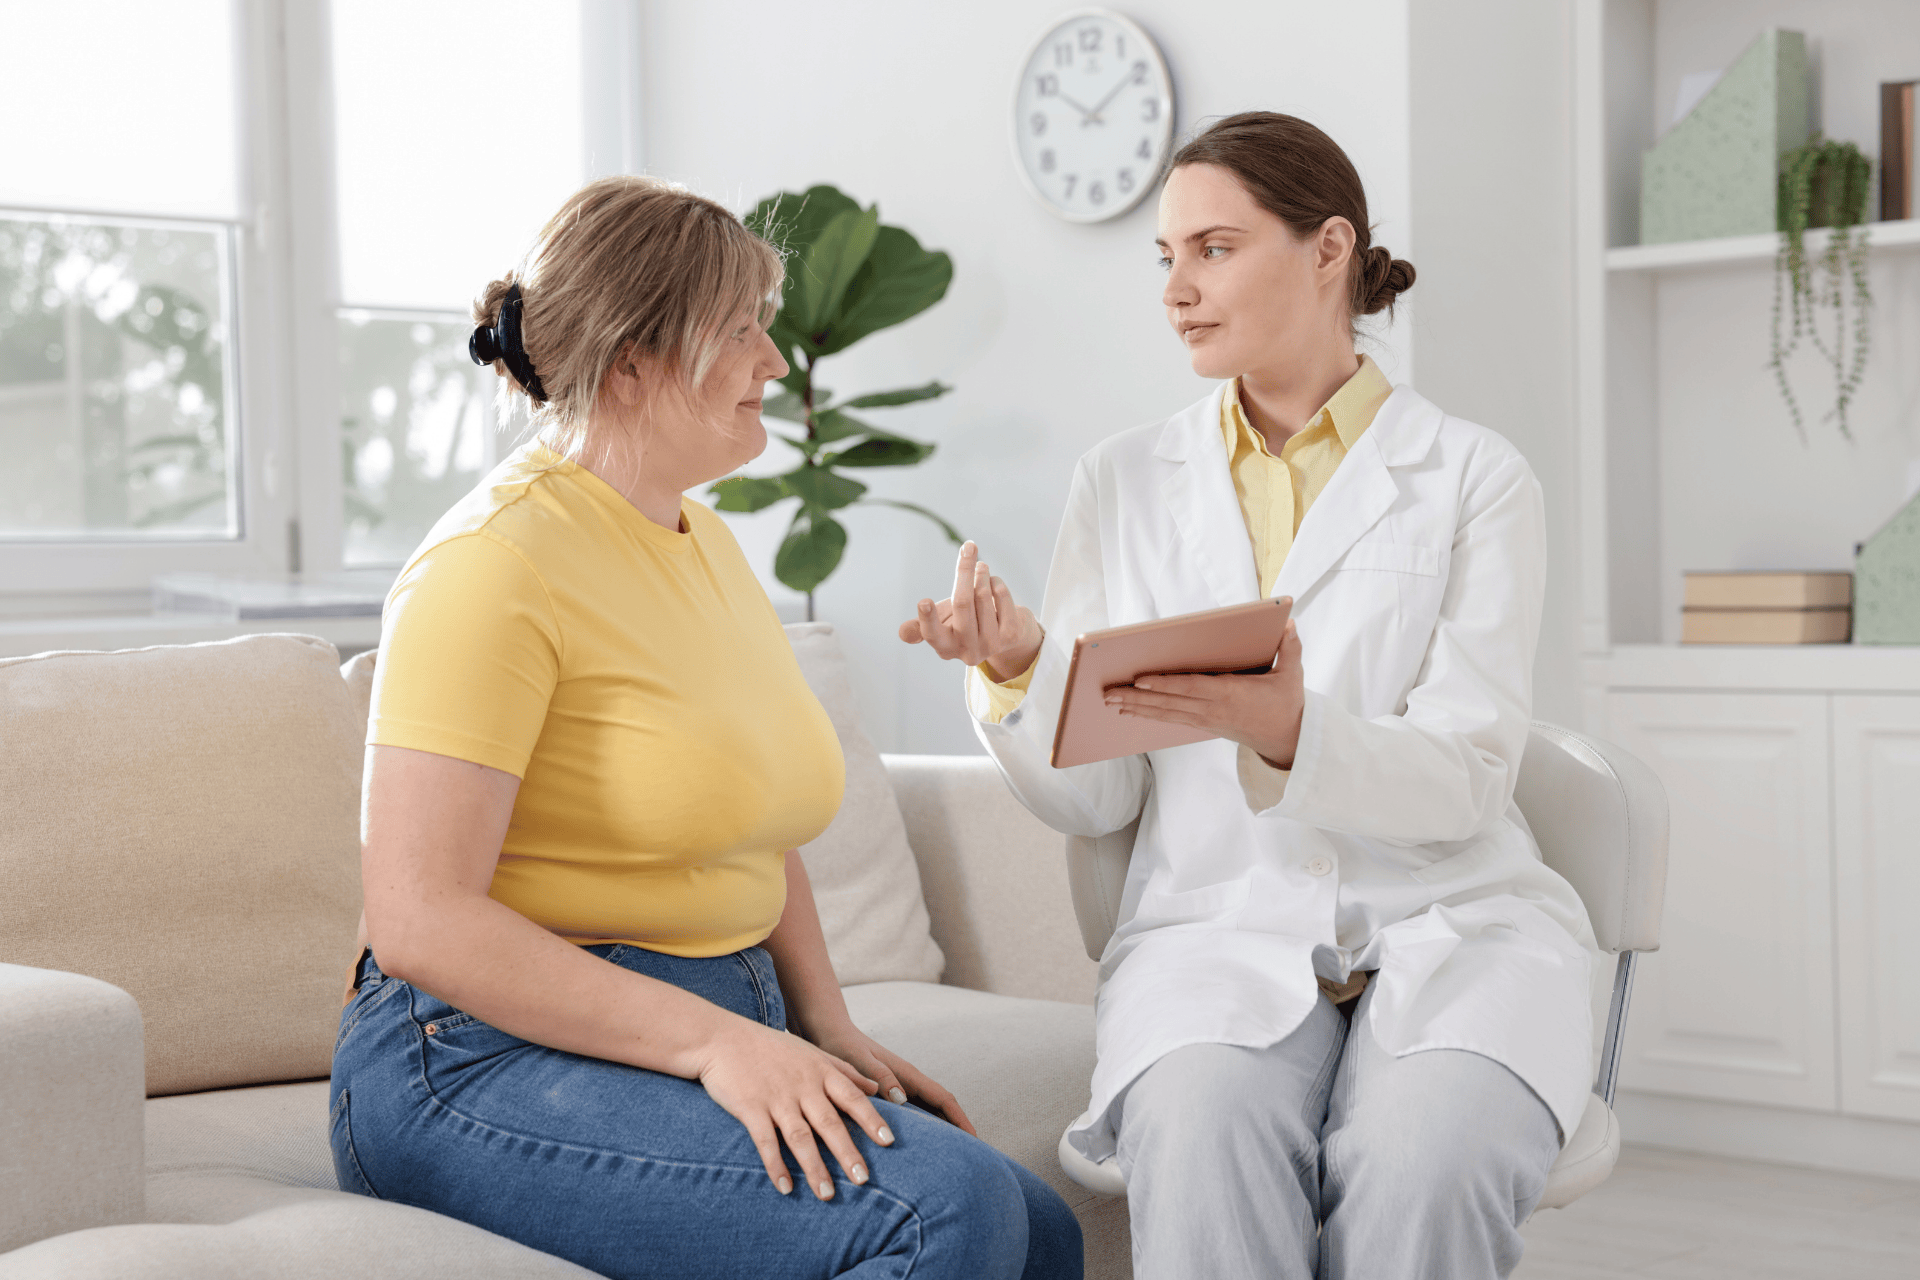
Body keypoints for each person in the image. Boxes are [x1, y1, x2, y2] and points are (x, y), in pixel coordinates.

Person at [333, 174, 1081, 1280]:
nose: (774, 362)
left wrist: (822, 1019)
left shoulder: (705, 542)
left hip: (707, 1010)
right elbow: (418, 918)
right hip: (474, 1053)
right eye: (739, 332)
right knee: (940, 1214)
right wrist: (719, 1041)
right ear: (632, 359)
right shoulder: (490, 566)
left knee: (1042, 1227)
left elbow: (752, 819)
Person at [901, 112, 1598, 1278]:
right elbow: (1100, 796)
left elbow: (1472, 771)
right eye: (1165, 259)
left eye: (1213, 249)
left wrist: (1290, 730)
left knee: (1422, 1164)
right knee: (1205, 1139)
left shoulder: (1474, 477)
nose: (1177, 288)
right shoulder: (1121, 482)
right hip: (1215, 930)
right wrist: (1024, 668)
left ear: (1331, 250)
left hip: (1452, 922)